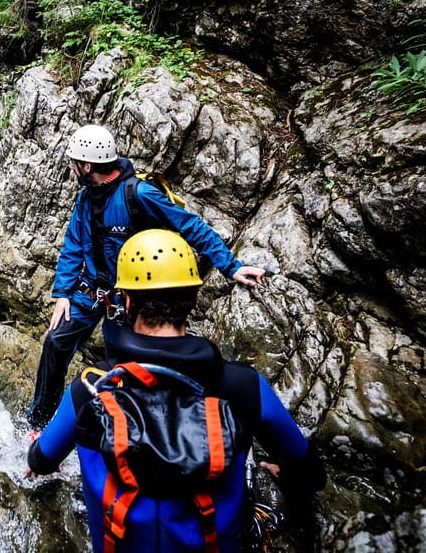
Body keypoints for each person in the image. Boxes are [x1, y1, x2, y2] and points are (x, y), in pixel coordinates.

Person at [26, 229, 326, 553]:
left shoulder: (92, 388)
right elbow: (311, 475)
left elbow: (40, 460)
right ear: (194, 298)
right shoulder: (243, 387)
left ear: (126, 301)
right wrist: (286, 473)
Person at [25, 123, 266, 431]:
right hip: (92, 291)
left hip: (130, 296)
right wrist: (62, 294)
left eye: (74, 162)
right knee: (56, 341)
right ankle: (39, 423)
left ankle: (122, 426)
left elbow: (190, 227)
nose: (70, 167)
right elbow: (74, 245)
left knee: (121, 360)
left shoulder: (139, 194)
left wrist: (231, 266)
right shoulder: (86, 198)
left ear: (87, 166)